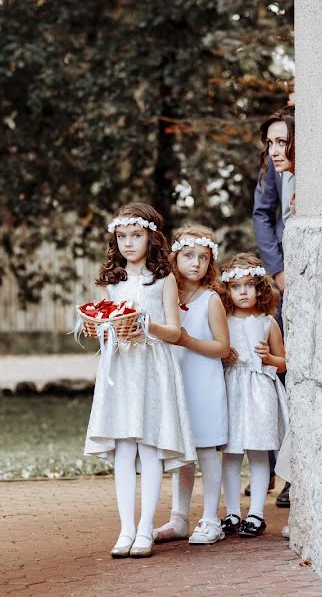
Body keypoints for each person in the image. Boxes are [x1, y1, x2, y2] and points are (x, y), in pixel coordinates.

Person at [84, 202, 197, 559]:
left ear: (151, 237)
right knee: (123, 447)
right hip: (120, 369)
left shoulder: (163, 280)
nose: (129, 243)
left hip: (151, 366)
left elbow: (176, 331)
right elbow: (105, 325)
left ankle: (146, 529)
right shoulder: (109, 282)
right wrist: (98, 327)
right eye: (122, 236)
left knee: (148, 445)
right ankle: (126, 529)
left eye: (136, 235)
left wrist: (146, 325)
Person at [153, 224, 231, 546]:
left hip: (205, 382)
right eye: (188, 256)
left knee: (206, 450)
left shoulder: (211, 300)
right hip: (177, 381)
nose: (196, 263)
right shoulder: (164, 294)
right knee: (182, 452)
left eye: (203, 257)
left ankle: (212, 518)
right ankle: (179, 518)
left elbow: (222, 348)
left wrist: (187, 340)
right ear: (175, 258)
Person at [218, 253, 289, 538]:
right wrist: (224, 355)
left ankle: (257, 513)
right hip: (232, 390)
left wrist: (269, 357)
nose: (243, 292)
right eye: (236, 287)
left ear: (260, 288)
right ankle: (233, 512)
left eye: (249, 285)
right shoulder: (222, 320)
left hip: (259, 391)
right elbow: (216, 352)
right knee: (232, 454)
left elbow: (284, 362)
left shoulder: (267, 322)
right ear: (227, 290)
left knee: (259, 453)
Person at [252, 107, 296, 507]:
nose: (274, 150)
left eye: (281, 141)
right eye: (270, 143)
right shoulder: (271, 171)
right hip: (284, 279)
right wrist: (276, 270)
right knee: (276, 368)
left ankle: (294, 474)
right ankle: (269, 467)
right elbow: (262, 216)